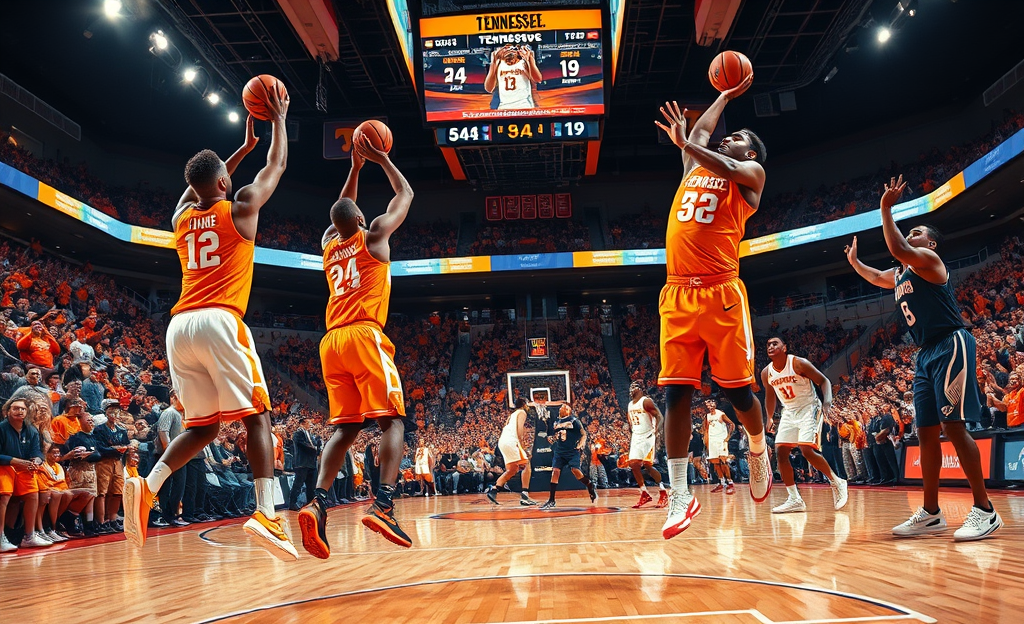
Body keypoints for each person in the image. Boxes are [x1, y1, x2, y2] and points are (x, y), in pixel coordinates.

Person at [122, 88, 297, 560]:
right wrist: (278, 119)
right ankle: (266, 514)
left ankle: (149, 485)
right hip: (221, 318)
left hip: (179, 326)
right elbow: (276, 167)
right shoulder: (238, 209)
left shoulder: (181, 220)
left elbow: (193, 187)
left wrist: (233, 155)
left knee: (203, 427)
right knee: (257, 414)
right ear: (224, 183)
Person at [845, 174, 1002, 541]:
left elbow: (900, 249)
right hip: (924, 354)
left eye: (917, 231)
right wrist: (855, 264)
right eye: (910, 230)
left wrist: (886, 210)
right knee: (925, 432)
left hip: (951, 342)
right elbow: (877, 275)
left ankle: (985, 509)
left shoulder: (928, 260)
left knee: (953, 427)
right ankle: (932, 513)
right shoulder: (901, 273)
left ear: (930, 243)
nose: (912, 235)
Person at [652, 77, 773, 540]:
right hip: (678, 293)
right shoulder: (692, 167)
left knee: (739, 393)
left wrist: (689, 144)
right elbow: (700, 139)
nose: (728, 136)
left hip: (722, 294)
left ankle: (758, 450)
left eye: (738, 137)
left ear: (751, 154)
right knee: (675, 393)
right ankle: (680, 494)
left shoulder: (751, 178)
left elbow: (705, 149)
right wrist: (724, 96)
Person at [297, 134, 415, 558]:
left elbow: (339, 213)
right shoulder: (375, 235)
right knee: (393, 422)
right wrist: (381, 158)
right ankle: (384, 504)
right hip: (365, 333)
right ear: (364, 219)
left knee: (345, 428)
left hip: (331, 341)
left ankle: (318, 501)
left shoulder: (331, 245)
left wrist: (354, 168)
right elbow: (406, 193)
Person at [761, 337, 848, 514]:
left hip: (810, 407)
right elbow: (770, 396)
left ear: (784, 348)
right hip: (789, 411)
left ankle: (837, 482)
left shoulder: (799, 363)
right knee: (781, 451)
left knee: (806, 449)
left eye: (775, 343)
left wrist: (827, 402)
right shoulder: (766, 372)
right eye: (768, 344)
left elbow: (824, 381)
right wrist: (769, 417)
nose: (771, 346)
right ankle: (794, 499)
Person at [0, 397, 48, 550]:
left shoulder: (31, 429)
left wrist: (37, 461)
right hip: (4, 466)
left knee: (33, 494)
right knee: (5, 495)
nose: (19, 411)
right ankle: (1, 537)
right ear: (7, 412)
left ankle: (29, 536)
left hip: (24, 467)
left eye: (22, 409)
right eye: (15, 408)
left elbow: (37, 452)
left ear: (26, 412)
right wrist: (15, 461)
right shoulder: (1, 428)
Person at [540, 403, 597, 509]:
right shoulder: (556, 422)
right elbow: (555, 436)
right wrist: (551, 439)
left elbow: (583, 434)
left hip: (572, 451)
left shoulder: (574, 420)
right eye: (562, 406)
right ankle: (551, 500)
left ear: (569, 411)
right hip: (560, 451)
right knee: (555, 471)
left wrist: (581, 444)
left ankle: (589, 484)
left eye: (566, 407)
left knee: (575, 471)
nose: (563, 407)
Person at [487, 398, 538, 506]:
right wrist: (522, 445)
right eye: (527, 404)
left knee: (512, 470)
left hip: (502, 442)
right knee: (526, 465)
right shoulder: (522, 412)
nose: (528, 406)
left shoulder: (512, 415)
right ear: (524, 404)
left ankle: (494, 490)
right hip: (511, 441)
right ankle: (525, 496)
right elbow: (519, 430)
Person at [625, 381, 668, 508]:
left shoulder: (646, 401)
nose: (631, 389)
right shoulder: (629, 405)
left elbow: (660, 416)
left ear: (640, 389)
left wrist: (657, 431)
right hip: (636, 436)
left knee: (648, 466)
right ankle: (644, 493)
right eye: (630, 387)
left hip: (648, 436)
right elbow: (630, 421)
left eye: (634, 387)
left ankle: (663, 491)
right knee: (633, 464)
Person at [92, 399, 129, 532]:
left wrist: (125, 448)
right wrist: (115, 449)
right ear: (106, 413)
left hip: (118, 462)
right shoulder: (99, 429)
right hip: (103, 462)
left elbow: (126, 444)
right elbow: (99, 447)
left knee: (117, 491)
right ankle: (101, 521)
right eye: (111, 411)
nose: (114, 413)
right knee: (102, 492)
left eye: (116, 411)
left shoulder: (122, 430)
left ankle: (112, 519)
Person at [484, 44, 541, 110]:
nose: (510, 50)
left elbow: (538, 79)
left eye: (512, 48)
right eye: (507, 48)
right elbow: (489, 88)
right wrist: (493, 62)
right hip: (504, 107)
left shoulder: (523, 61)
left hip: (524, 106)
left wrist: (530, 60)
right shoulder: (498, 62)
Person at [703, 400, 735, 494]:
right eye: (708, 403)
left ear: (715, 404)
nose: (710, 405)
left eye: (711, 402)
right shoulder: (707, 416)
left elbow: (731, 424)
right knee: (716, 463)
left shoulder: (721, 414)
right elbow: (706, 430)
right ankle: (721, 482)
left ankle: (730, 483)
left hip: (721, 440)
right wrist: (707, 442)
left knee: (723, 462)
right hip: (712, 441)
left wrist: (728, 437)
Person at [288, 416, 319, 510]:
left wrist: (317, 448)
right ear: (302, 423)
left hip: (311, 463)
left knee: (311, 485)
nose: (310, 425)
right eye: (308, 422)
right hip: (302, 463)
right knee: (298, 484)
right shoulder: (298, 433)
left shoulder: (310, 434)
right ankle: (292, 503)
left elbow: (315, 444)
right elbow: (304, 445)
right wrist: (314, 449)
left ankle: (310, 502)